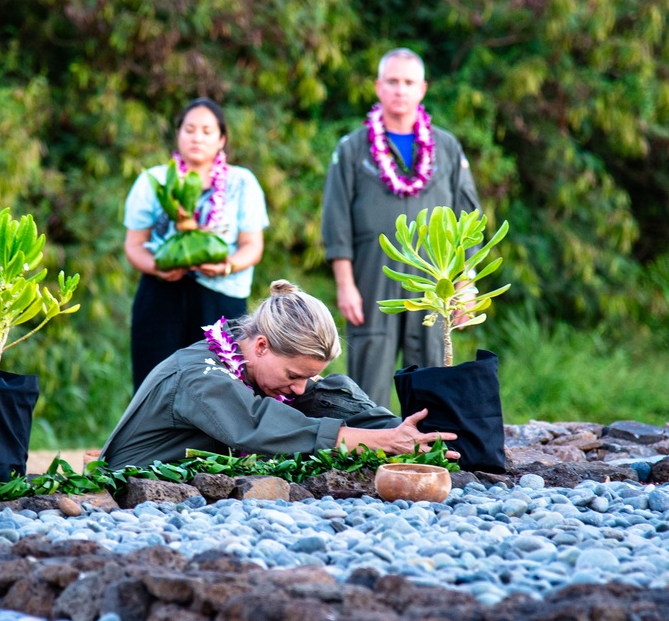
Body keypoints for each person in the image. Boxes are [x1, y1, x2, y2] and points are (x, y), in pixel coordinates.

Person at [100, 280, 457, 469]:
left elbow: (322, 398)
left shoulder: (265, 372)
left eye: (309, 375)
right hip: (132, 494)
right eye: (293, 373)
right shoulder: (197, 375)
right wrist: (384, 442)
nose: (299, 386)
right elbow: (258, 424)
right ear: (260, 346)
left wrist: (411, 432)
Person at [322, 48, 481, 408]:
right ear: (378, 87)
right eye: (392, 81)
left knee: (432, 367)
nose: (400, 90)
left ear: (422, 89)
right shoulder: (352, 148)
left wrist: (466, 282)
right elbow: (336, 219)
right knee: (369, 372)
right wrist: (345, 284)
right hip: (372, 275)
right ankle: (368, 450)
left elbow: (468, 217)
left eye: (408, 82)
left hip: (434, 278)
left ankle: (430, 451)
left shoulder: (447, 147)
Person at [124, 98, 269, 391]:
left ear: (222, 138)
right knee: (156, 381)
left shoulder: (242, 182)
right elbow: (134, 245)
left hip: (222, 297)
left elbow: (252, 245)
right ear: (178, 135)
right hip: (161, 294)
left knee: (220, 384)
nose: (197, 137)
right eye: (189, 129)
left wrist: (227, 265)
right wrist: (157, 268)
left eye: (206, 130)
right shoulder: (154, 180)